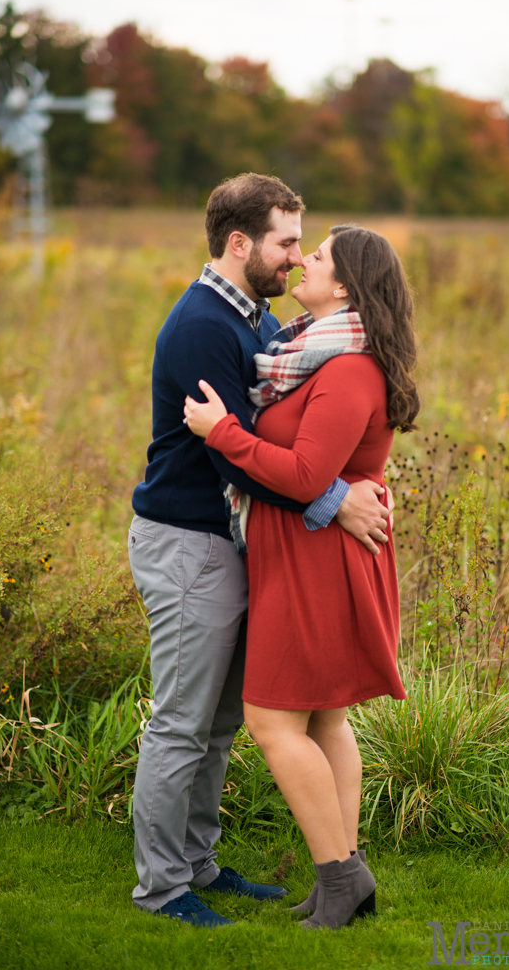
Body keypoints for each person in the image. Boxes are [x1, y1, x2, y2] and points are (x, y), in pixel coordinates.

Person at [128, 174, 393, 928]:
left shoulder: (259, 320)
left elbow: (302, 423)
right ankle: (161, 888)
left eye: (302, 244)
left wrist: (358, 474)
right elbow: (233, 457)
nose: (294, 256)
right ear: (238, 243)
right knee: (181, 722)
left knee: (216, 725)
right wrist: (337, 499)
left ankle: (199, 864)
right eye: (284, 242)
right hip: (189, 544)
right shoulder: (202, 327)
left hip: (234, 544)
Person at [184, 224, 419, 930]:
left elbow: (310, 474)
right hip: (310, 549)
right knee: (321, 717)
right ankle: (343, 878)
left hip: (317, 560)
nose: (301, 263)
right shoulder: (311, 353)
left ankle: (342, 876)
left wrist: (222, 431)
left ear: (344, 285)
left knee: (271, 719)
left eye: (314, 257)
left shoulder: (347, 369)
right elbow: (335, 469)